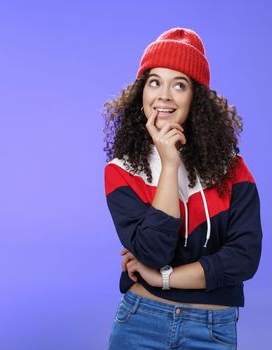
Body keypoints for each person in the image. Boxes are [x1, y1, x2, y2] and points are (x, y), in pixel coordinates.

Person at [102, 27, 262, 349]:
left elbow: (244, 259)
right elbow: (153, 250)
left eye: (179, 84)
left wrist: (162, 277)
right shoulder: (121, 172)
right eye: (154, 82)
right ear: (141, 94)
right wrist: (170, 165)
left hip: (211, 329)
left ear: (196, 99)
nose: (164, 96)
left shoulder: (233, 170)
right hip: (139, 320)